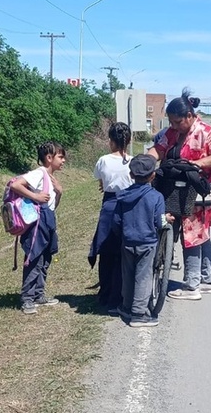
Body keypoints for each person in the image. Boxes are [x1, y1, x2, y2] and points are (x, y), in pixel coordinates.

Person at [148, 88, 211, 300]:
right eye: (171, 122)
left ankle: (191, 285)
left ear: (190, 116)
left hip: (200, 190)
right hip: (176, 188)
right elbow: (158, 149)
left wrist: (198, 164)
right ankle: (209, 280)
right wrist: (146, 163)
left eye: (177, 122)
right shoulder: (173, 133)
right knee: (201, 233)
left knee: (192, 232)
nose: (174, 126)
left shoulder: (206, 132)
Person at [113, 154, 172, 327]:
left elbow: (116, 221)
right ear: (153, 175)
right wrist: (166, 219)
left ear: (131, 175)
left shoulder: (122, 196)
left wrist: (122, 235)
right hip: (147, 242)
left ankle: (126, 306)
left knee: (128, 274)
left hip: (127, 241)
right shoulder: (156, 197)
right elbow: (159, 222)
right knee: (143, 276)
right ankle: (139, 313)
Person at [9, 141, 66, 315]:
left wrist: (59, 192)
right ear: (49, 158)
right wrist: (35, 196)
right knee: (34, 258)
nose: (63, 160)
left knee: (45, 258)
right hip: (37, 224)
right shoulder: (39, 173)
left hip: (48, 220)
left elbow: (51, 205)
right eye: (61, 157)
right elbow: (16, 185)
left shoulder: (50, 177)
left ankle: (38, 295)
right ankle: (27, 298)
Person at [88, 122, 133, 315]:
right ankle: (120, 296)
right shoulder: (133, 161)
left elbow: (102, 183)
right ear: (128, 141)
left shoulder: (103, 160)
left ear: (110, 141)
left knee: (106, 252)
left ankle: (105, 295)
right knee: (122, 254)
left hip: (109, 205)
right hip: (128, 206)